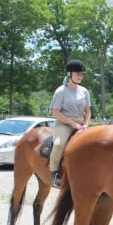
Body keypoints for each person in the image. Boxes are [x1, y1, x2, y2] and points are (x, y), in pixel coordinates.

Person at [49, 59, 91, 187]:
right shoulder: (60, 91)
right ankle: (54, 173)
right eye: (78, 74)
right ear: (69, 74)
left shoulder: (84, 91)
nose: (80, 76)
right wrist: (72, 124)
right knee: (58, 144)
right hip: (64, 123)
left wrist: (86, 124)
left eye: (82, 74)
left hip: (82, 123)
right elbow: (55, 112)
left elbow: (88, 111)